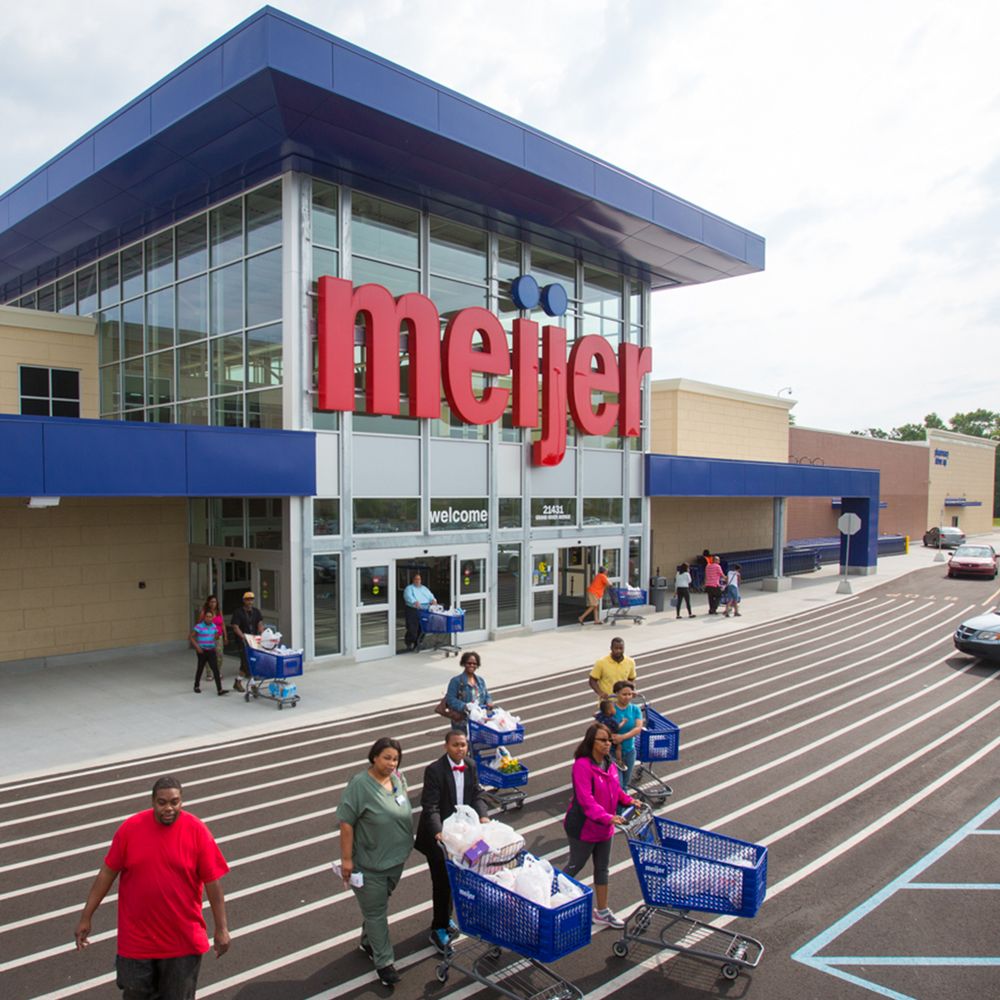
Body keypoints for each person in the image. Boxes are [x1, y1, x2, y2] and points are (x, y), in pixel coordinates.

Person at [74, 776, 231, 999]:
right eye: (162, 802)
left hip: (182, 944)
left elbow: (213, 884)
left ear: (181, 801)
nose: (169, 808)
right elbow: (107, 874)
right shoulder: (130, 829)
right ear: (152, 802)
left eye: (174, 802)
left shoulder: (197, 831)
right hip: (137, 943)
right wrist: (86, 916)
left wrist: (221, 929)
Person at [337, 737, 414, 989]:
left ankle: (368, 941)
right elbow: (346, 823)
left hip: (396, 860)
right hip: (370, 865)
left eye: (395, 759)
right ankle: (384, 963)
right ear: (374, 757)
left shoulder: (397, 779)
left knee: (378, 905)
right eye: (386, 758)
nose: (391, 763)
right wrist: (346, 860)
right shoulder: (360, 785)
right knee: (376, 912)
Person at [415, 730, 490, 952]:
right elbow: (430, 806)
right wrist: (438, 832)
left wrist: (483, 815)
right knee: (441, 883)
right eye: (456, 745)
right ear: (446, 746)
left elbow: (476, 794)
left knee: (456, 880)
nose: (460, 749)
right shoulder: (434, 770)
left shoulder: (471, 765)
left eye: (463, 745)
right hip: (439, 838)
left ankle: (446, 917)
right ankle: (438, 927)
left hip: (462, 835)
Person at [561, 723, 635, 929]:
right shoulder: (582, 766)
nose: (607, 743)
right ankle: (548, 897)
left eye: (609, 740)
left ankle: (602, 911)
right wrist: (606, 817)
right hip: (584, 827)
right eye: (602, 740)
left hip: (604, 827)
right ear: (591, 742)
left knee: (602, 869)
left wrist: (629, 800)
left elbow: (616, 790)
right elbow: (586, 800)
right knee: (575, 865)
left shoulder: (609, 764)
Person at [609, 680, 643, 792]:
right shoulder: (610, 709)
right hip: (612, 751)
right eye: (624, 694)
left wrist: (622, 737)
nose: (627, 697)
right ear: (616, 693)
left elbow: (638, 728)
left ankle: (623, 800)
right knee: (618, 783)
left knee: (625, 783)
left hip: (629, 750)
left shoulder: (635, 709)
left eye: (629, 694)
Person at [230, 591, 264, 692]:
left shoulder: (256, 612)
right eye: (247, 600)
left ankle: (238, 681)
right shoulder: (238, 612)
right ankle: (253, 686)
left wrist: (262, 633)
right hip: (243, 641)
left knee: (247, 663)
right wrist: (243, 637)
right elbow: (235, 627)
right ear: (244, 601)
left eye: (251, 600)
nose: (250, 602)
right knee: (247, 662)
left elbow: (260, 623)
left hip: (253, 640)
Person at [445, 650, 492, 721]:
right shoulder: (456, 681)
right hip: (462, 721)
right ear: (464, 664)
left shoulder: (480, 681)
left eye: (474, 664)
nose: (472, 665)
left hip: (479, 719)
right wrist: (465, 706)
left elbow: (486, 695)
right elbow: (450, 699)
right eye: (469, 663)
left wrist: (489, 701)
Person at [189, 609, 227, 696]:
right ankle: (196, 686)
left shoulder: (214, 626)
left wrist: (218, 636)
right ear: (204, 617)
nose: (209, 618)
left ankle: (220, 689)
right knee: (200, 668)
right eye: (207, 616)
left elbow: (216, 636)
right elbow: (191, 637)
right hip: (202, 651)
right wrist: (197, 647)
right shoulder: (199, 626)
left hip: (211, 650)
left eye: (210, 617)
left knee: (215, 669)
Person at [402, 572, 435, 651]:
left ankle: (418, 643)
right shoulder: (409, 588)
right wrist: (414, 602)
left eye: (419, 579)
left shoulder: (424, 588)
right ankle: (409, 642)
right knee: (412, 628)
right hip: (413, 609)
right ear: (413, 580)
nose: (418, 581)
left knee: (422, 628)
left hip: (424, 609)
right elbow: (408, 596)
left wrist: (434, 600)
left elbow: (430, 596)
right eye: (416, 579)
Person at [594, 698, 625, 770]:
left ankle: (606, 757)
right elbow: (618, 727)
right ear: (609, 711)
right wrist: (623, 722)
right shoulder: (612, 720)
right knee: (618, 747)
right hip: (611, 736)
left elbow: (595, 715)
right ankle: (619, 761)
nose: (615, 709)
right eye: (613, 708)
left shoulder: (600, 715)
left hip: (602, 735)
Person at [204, 594, 227, 681]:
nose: (213, 603)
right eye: (211, 602)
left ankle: (217, 671)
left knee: (219, 654)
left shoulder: (218, 612)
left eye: (215, 602)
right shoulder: (205, 612)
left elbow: (222, 624)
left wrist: (225, 636)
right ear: (208, 603)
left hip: (219, 636)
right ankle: (209, 673)